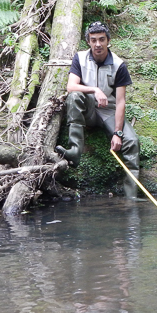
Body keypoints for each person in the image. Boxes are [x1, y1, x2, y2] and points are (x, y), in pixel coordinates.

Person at [56, 21, 140, 199]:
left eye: (102, 39)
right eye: (93, 40)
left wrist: (118, 132)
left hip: (109, 111)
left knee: (131, 141)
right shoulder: (80, 58)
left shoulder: (119, 65)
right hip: (88, 109)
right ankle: (75, 150)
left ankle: (131, 195)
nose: (98, 44)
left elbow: (121, 102)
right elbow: (71, 86)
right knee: (75, 96)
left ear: (108, 40)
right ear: (88, 41)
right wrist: (94, 90)